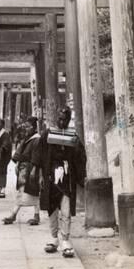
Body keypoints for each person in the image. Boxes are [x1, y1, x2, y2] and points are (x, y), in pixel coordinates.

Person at [34, 105, 86, 258]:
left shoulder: (73, 137)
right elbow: (38, 155)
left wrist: (80, 176)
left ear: (69, 120)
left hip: (67, 179)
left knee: (66, 209)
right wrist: (39, 175)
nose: (62, 121)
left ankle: (65, 239)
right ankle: (53, 237)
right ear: (56, 118)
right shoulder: (47, 134)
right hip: (50, 178)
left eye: (65, 119)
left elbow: (81, 157)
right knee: (51, 209)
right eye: (60, 118)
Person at [2, 116, 42, 225]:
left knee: (30, 192)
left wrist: (34, 170)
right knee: (25, 192)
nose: (26, 129)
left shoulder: (37, 139)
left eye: (28, 127)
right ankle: (33, 215)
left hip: (31, 169)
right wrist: (18, 164)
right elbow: (20, 153)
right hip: (24, 169)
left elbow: (36, 156)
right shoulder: (27, 138)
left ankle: (15, 214)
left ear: (34, 127)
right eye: (26, 127)